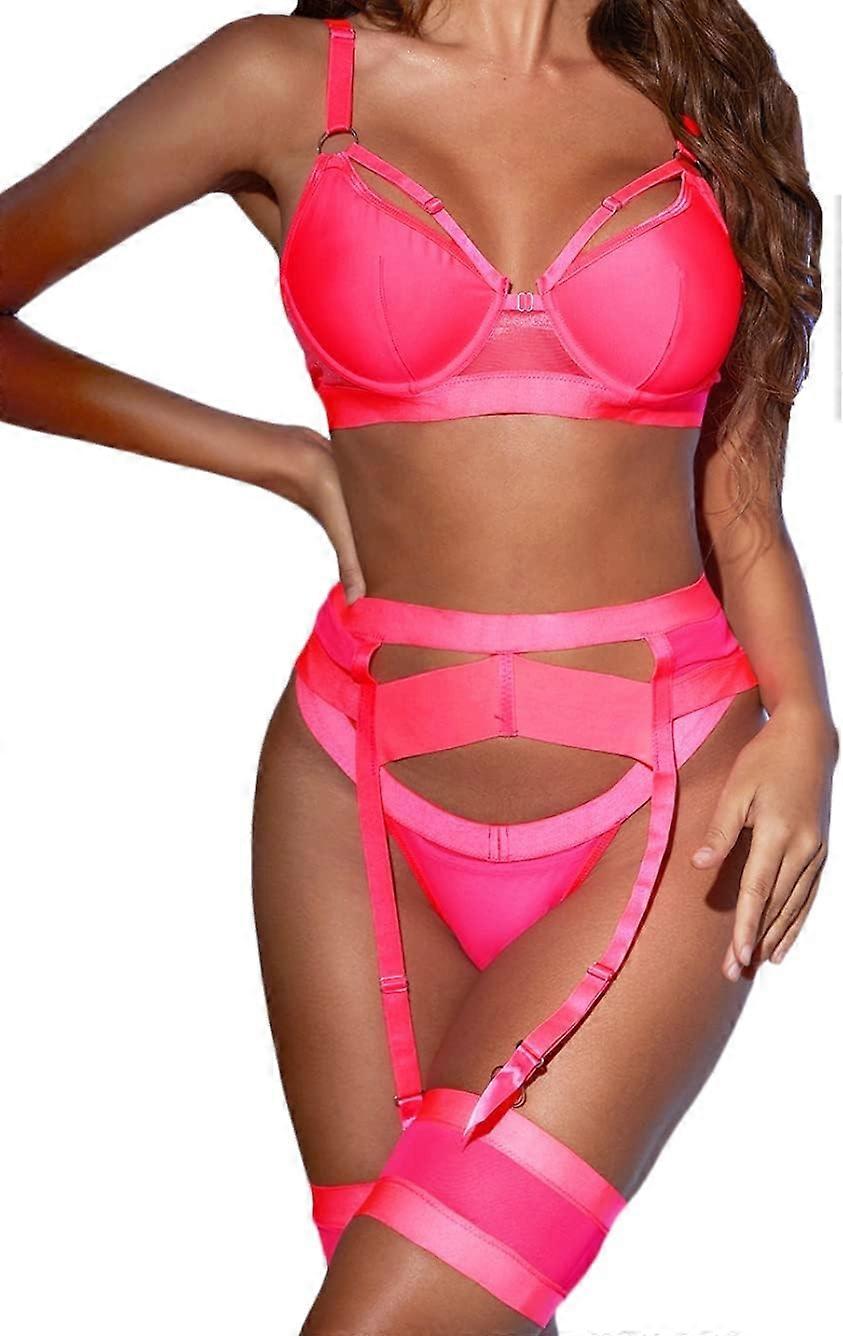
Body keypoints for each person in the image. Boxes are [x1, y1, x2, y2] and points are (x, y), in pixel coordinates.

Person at [0, 3, 835, 1333]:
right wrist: (284, 460)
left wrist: (807, 727)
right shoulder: (284, 82)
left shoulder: (708, 98)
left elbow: (742, 510)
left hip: (674, 791)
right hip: (354, 792)